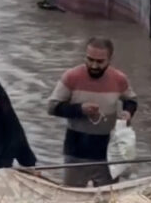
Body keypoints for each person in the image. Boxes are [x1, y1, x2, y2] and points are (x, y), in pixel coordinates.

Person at [48, 37, 139, 188]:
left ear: (110, 60)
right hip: (75, 152)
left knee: (107, 198)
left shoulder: (119, 79)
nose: (94, 65)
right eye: (90, 59)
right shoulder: (71, 77)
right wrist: (80, 109)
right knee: (72, 198)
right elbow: (52, 107)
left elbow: (132, 100)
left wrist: (128, 113)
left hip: (107, 154)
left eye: (100, 61)